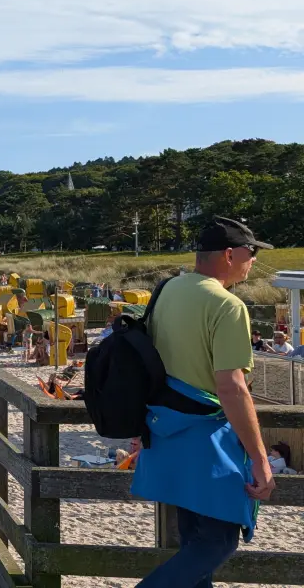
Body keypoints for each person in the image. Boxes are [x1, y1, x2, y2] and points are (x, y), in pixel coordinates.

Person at [134, 217, 274, 587]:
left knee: (195, 543)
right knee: (217, 542)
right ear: (229, 254)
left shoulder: (168, 289)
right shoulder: (227, 305)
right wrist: (260, 459)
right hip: (206, 442)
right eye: (251, 252)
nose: (253, 260)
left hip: (166, 430)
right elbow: (232, 388)